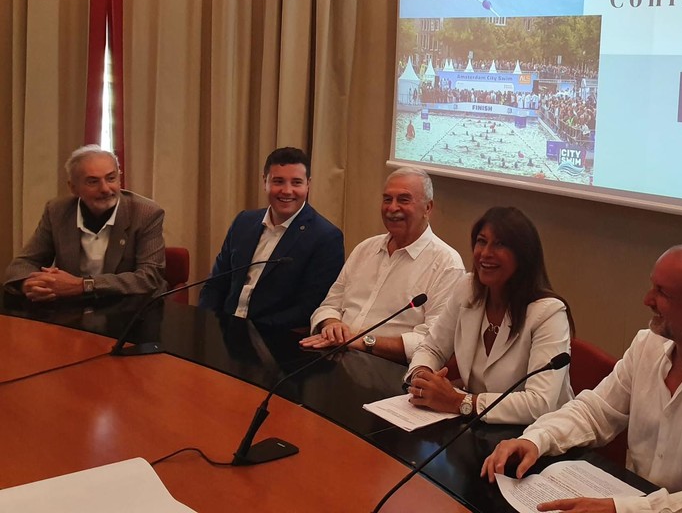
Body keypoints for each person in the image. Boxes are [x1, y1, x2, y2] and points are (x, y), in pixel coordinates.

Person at [481, 244, 682, 513]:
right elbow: (594, 411)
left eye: (662, 293)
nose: (647, 299)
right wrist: (535, 439)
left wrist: (623, 509)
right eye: (652, 286)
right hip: (640, 499)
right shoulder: (648, 345)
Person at [405, 206, 573, 424]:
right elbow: (432, 347)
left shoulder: (549, 313)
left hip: (537, 434)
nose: (485, 253)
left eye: (499, 244)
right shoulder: (467, 288)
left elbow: (539, 403)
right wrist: (422, 377)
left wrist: (459, 401)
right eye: (481, 241)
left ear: (523, 255)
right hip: (478, 426)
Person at [300, 167, 464, 363]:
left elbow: (433, 343)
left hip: (389, 368)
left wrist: (365, 341)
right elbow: (329, 305)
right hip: (334, 356)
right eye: (387, 199)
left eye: (403, 200)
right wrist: (332, 324)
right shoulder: (365, 249)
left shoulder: (447, 264)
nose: (392, 208)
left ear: (428, 208)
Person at [198, 147, 344, 329]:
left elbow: (309, 308)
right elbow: (215, 285)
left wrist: (248, 331)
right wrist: (208, 324)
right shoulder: (243, 221)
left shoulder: (326, 237)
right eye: (278, 181)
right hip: (223, 330)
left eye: (296, 182)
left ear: (308, 185)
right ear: (265, 182)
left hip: (272, 337)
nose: (287, 191)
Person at [4, 145, 165, 300]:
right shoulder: (57, 211)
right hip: (72, 307)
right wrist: (30, 285)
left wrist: (83, 285)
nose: (105, 189)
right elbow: (23, 264)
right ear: (73, 188)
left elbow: (149, 277)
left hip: (132, 307)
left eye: (111, 178)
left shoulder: (145, 213)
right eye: (93, 181)